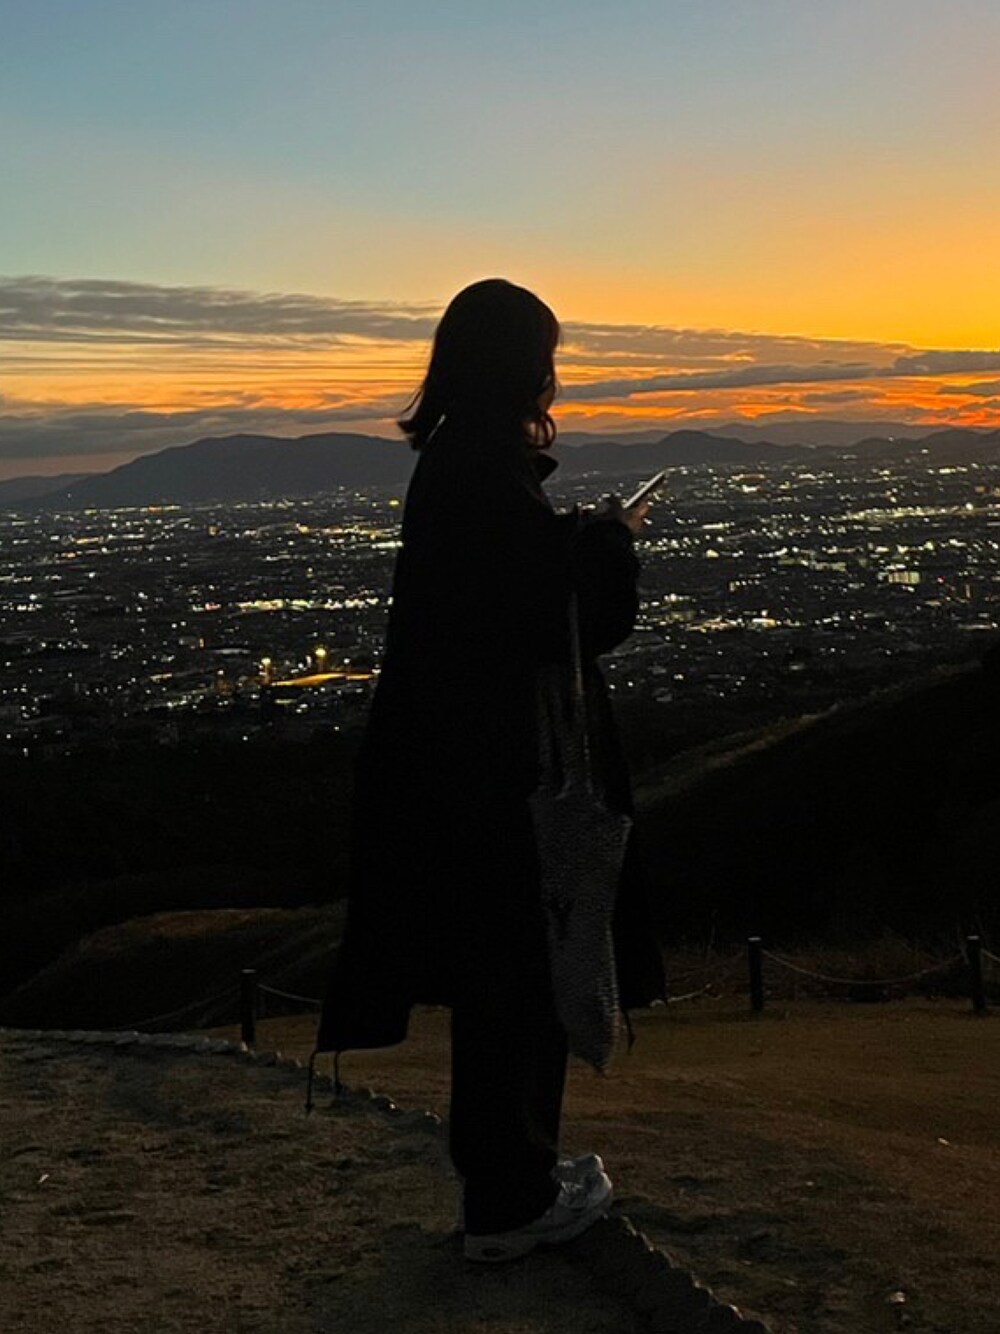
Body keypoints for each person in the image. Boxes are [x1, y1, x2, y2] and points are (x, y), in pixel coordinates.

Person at [314, 278, 665, 1263]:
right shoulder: (482, 470)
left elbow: (505, 587)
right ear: (521, 366)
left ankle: (515, 1173)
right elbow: (554, 617)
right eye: (545, 355)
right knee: (515, 970)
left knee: (504, 971)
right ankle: (510, 1199)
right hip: (497, 776)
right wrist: (611, 544)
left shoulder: (457, 461)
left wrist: (572, 535)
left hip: (460, 766)